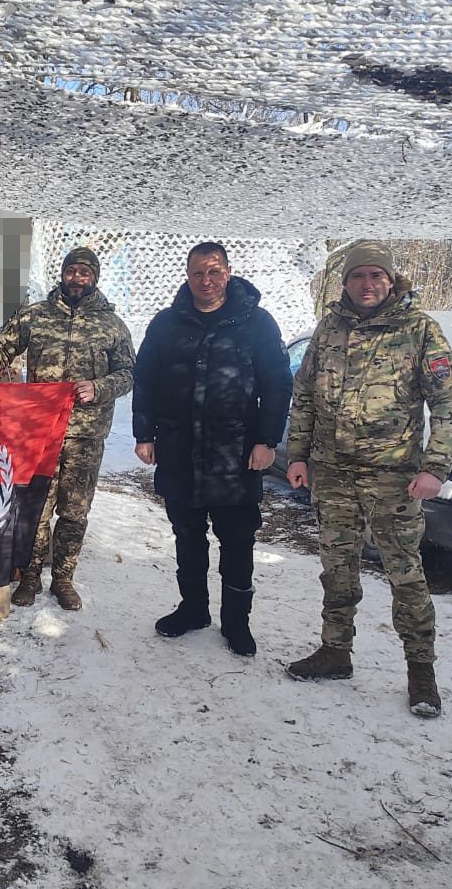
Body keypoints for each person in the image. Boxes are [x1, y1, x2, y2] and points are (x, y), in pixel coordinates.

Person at [285, 240, 452, 717]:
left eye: (376, 276)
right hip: (333, 473)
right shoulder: (329, 329)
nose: (367, 284)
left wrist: (434, 467)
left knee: (405, 574)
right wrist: (298, 456)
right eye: (358, 276)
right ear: (345, 282)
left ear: (391, 281)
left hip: (395, 477)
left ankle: (421, 672)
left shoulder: (420, 330)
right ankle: (335, 652)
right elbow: (303, 396)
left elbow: (450, 406)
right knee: (336, 568)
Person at [132, 241, 292, 656]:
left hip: (235, 454)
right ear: (188, 276)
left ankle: (237, 623)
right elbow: (145, 380)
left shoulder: (256, 323)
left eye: (214, 271)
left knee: (237, 541)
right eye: (198, 273)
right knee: (187, 537)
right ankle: (193, 609)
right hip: (179, 450)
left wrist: (267, 441)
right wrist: (144, 434)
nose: (207, 280)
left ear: (228, 272)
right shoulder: (167, 324)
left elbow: (277, 384)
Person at [0, 247, 134, 611]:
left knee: (74, 511)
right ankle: (30, 576)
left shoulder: (111, 325)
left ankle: (64, 579)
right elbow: (2, 348)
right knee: (37, 507)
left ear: (95, 277)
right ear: (63, 273)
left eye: (85, 272)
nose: (77, 278)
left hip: (86, 433)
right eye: (72, 271)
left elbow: (129, 374)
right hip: (41, 432)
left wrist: (99, 387)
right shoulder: (36, 316)